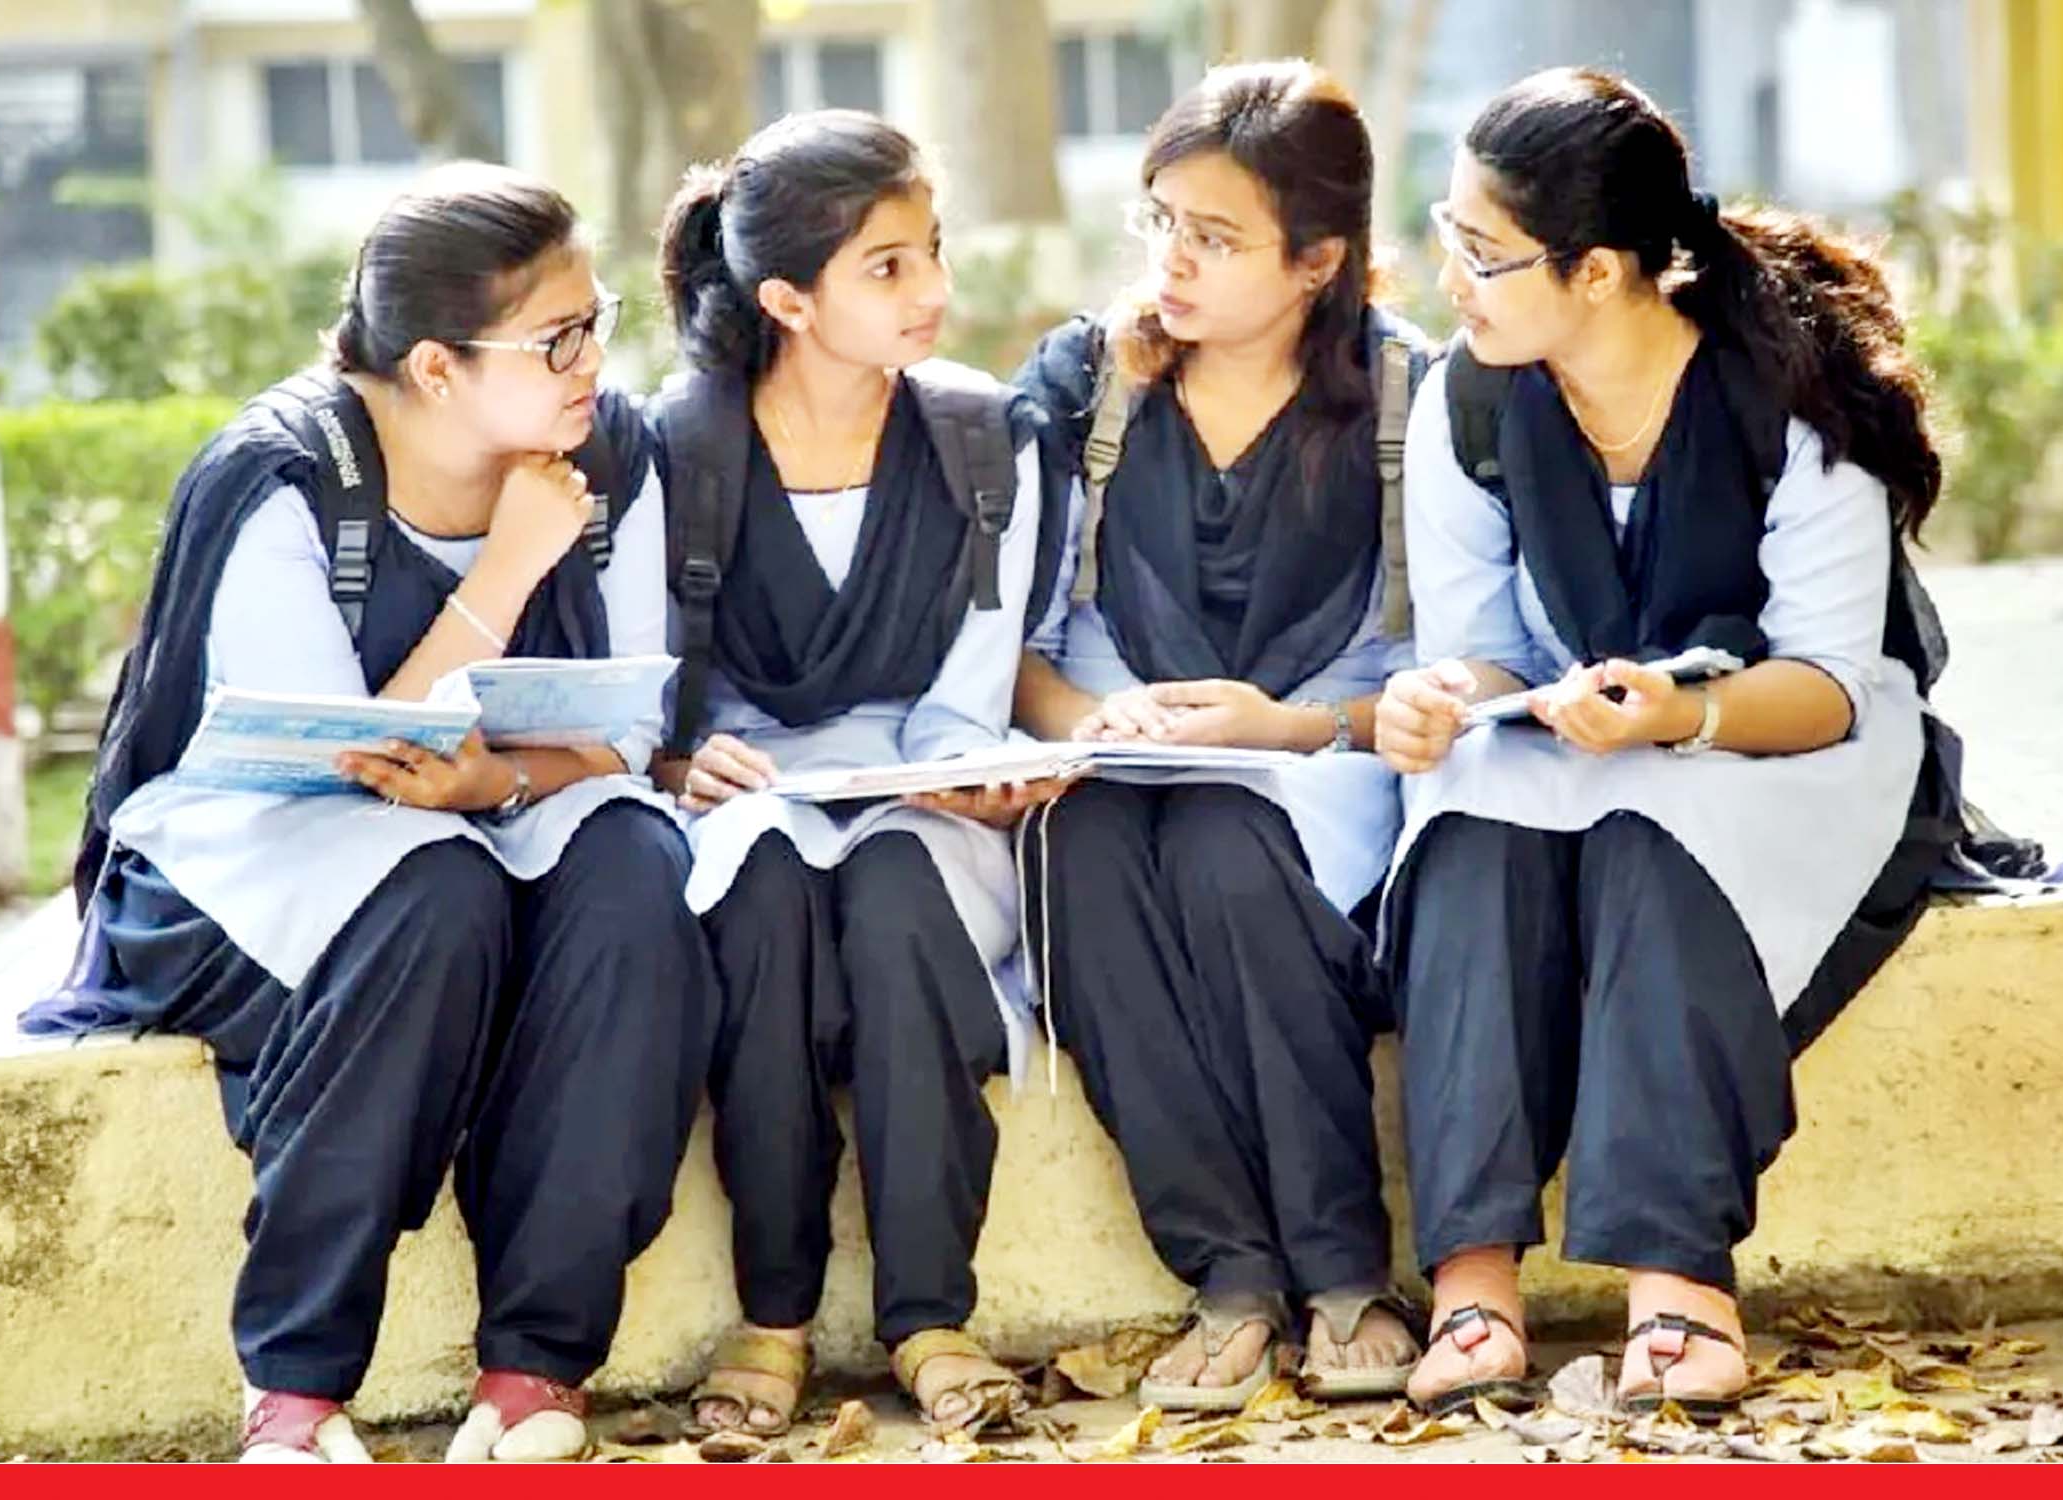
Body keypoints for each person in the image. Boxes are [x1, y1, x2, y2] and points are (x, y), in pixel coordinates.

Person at [47, 163, 712, 1462]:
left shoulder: (610, 453)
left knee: (637, 873)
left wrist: (498, 781)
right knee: (432, 896)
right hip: (258, 850)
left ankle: (538, 1371)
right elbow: (346, 759)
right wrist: (513, 566)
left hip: (504, 804)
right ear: (436, 371)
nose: (592, 362)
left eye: (599, 321)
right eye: (556, 338)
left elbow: (625, 738)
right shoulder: (282, 476)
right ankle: (295, 1391)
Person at [1376, 68, 1956, 1420]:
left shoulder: (1791, 394)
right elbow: (1478, 651)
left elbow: (1827, 676)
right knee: (1468, 829)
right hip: (1574, 731)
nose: (1447, 275)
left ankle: (1677, 1286)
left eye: (1482, 250)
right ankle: (1472, 1285)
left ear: (1594, 272)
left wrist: (1685, 715)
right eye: (1445, 233)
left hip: (1786, 743)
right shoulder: (1468, 398)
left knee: (1656, 842)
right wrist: (1434, 700)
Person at [1003, 61, 1430, 1409]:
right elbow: (1000, 631)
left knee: (1228, 852)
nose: (1168, 261)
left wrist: (1289, 725)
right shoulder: (1082, 381)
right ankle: (1229, 1272)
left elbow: (1457, 661)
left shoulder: (1413, 397)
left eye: (1215, 236)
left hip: (1322, 763)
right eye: (1158, 221)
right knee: (1083, 857)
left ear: (1316, 261)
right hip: (1109, 753)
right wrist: (1089, 720)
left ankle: (1343, 1268)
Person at [652, 111, 1058, 1440]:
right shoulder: (672, 455)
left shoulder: (990, 442)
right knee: (764, 894)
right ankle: (774, 1316)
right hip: (743, 813)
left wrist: (968, 775)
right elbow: (646, 690)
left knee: (892, 896)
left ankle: (930, 1316)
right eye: (887, 267)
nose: (933, 290)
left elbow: (967, 693)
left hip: (922, 812)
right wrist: (675, 754)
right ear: (785, 298)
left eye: (931, 251)